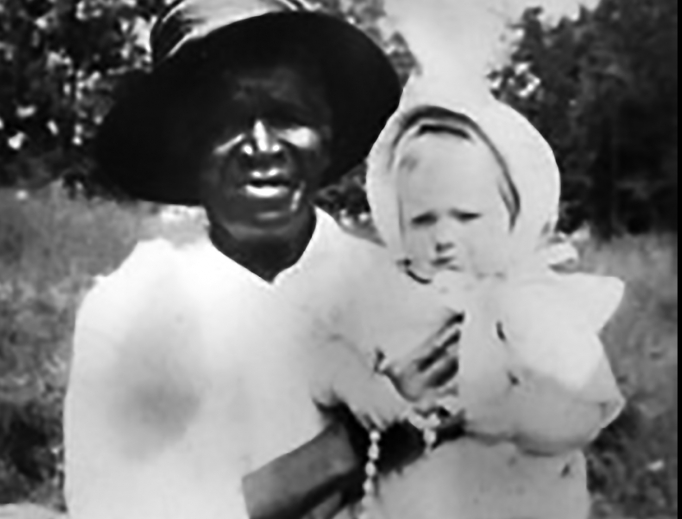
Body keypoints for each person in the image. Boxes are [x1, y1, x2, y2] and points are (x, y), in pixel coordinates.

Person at [62, 2, 463, 518]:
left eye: (287, 117)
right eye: (223, 123)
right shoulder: (130, 308)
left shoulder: (408, 301)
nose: (260, 147)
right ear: (185, 147)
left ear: (328, 133)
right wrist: (351, 445)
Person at [325, 80, 627, 519]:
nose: (444, 237)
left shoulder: (531, 304)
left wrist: (516, 419)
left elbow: (582, 408)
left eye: (467, 216)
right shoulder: (389, 294)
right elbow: (332, 347)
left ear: (514, 216)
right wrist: (359, 384)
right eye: (422, 220)